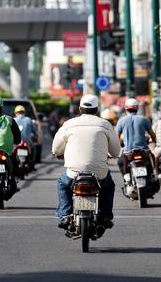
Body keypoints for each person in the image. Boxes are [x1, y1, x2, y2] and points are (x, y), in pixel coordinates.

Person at [52, 94, 120, 229]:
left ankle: (65, 214)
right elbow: (116, 151)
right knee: (108, 186)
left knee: (62, 183)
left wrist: (59, 154)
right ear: (97, 109)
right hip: (99, 172)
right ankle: (105, 215)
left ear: (79, 109)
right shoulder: (105, 124)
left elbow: (56, 148)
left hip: (74, 172)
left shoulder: (69, 124)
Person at [116, 98, 156, 175]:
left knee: (120, 163)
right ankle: (151, 176)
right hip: (143, 151)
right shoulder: (144, 119)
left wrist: (118, 145)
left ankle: (126, 179)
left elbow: (116, 137)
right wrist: (153, 140)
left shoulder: (121, 120)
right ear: (137, 108)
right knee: (152, 160)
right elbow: (153, 135)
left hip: (128, 153)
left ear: (126, 108)